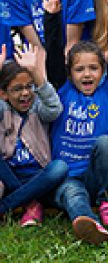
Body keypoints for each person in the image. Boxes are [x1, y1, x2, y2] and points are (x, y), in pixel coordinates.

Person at [48, 0, 108, 245]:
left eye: (93, 68)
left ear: (103, 72)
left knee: (105, 142)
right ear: (69, 74)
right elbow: (53, 56)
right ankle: (88, 222)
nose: (87, 74)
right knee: (73, 194)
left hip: (97, 176)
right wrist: (52, 17)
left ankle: (107, 202)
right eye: (79, 69)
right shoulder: (62, 90)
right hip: (67, 176)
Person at [0, 41, 68, 227]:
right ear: (3, 94)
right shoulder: (2, 110)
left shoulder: (38, 108)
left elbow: (55, 109)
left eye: (29, 86)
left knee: (60, 167)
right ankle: (30, 203)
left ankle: (6, 206)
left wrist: (37, 74)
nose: (25, 93)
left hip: (39, 177)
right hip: (9, 177)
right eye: (17, 89)